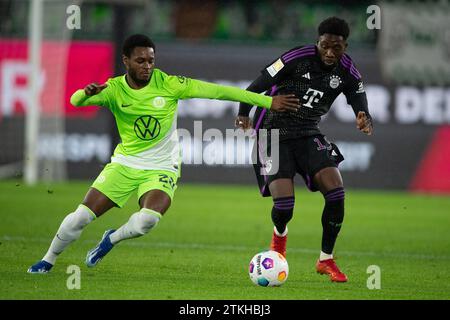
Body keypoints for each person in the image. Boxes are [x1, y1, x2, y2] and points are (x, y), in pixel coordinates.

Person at [27, 34, 299, 273]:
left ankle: (111, 239)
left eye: (150, 60)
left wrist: (268, 101)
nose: (147, 66)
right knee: (80, 218)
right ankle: (48, 260)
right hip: (124, 164)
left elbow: (218, 92)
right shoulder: (112, 89)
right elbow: (74, 101)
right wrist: (85, 94)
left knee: (147, 221)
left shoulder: (169, 84)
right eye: (140, 61)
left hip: (162, 167)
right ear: (126, 61)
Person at [235, 17, 373, 282]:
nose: (330, 52)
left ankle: (326, 260)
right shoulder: (297, 57)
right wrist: (243, 111)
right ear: (317, 42)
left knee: (336, 194)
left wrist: (362, 114)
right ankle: (279, 239)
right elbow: (260, 82)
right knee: (285, 206)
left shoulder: (346, 69)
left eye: (337, 47)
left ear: (345, 46)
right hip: (273, 133)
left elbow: (357, 95)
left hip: (309, 132)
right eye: (325, 46)